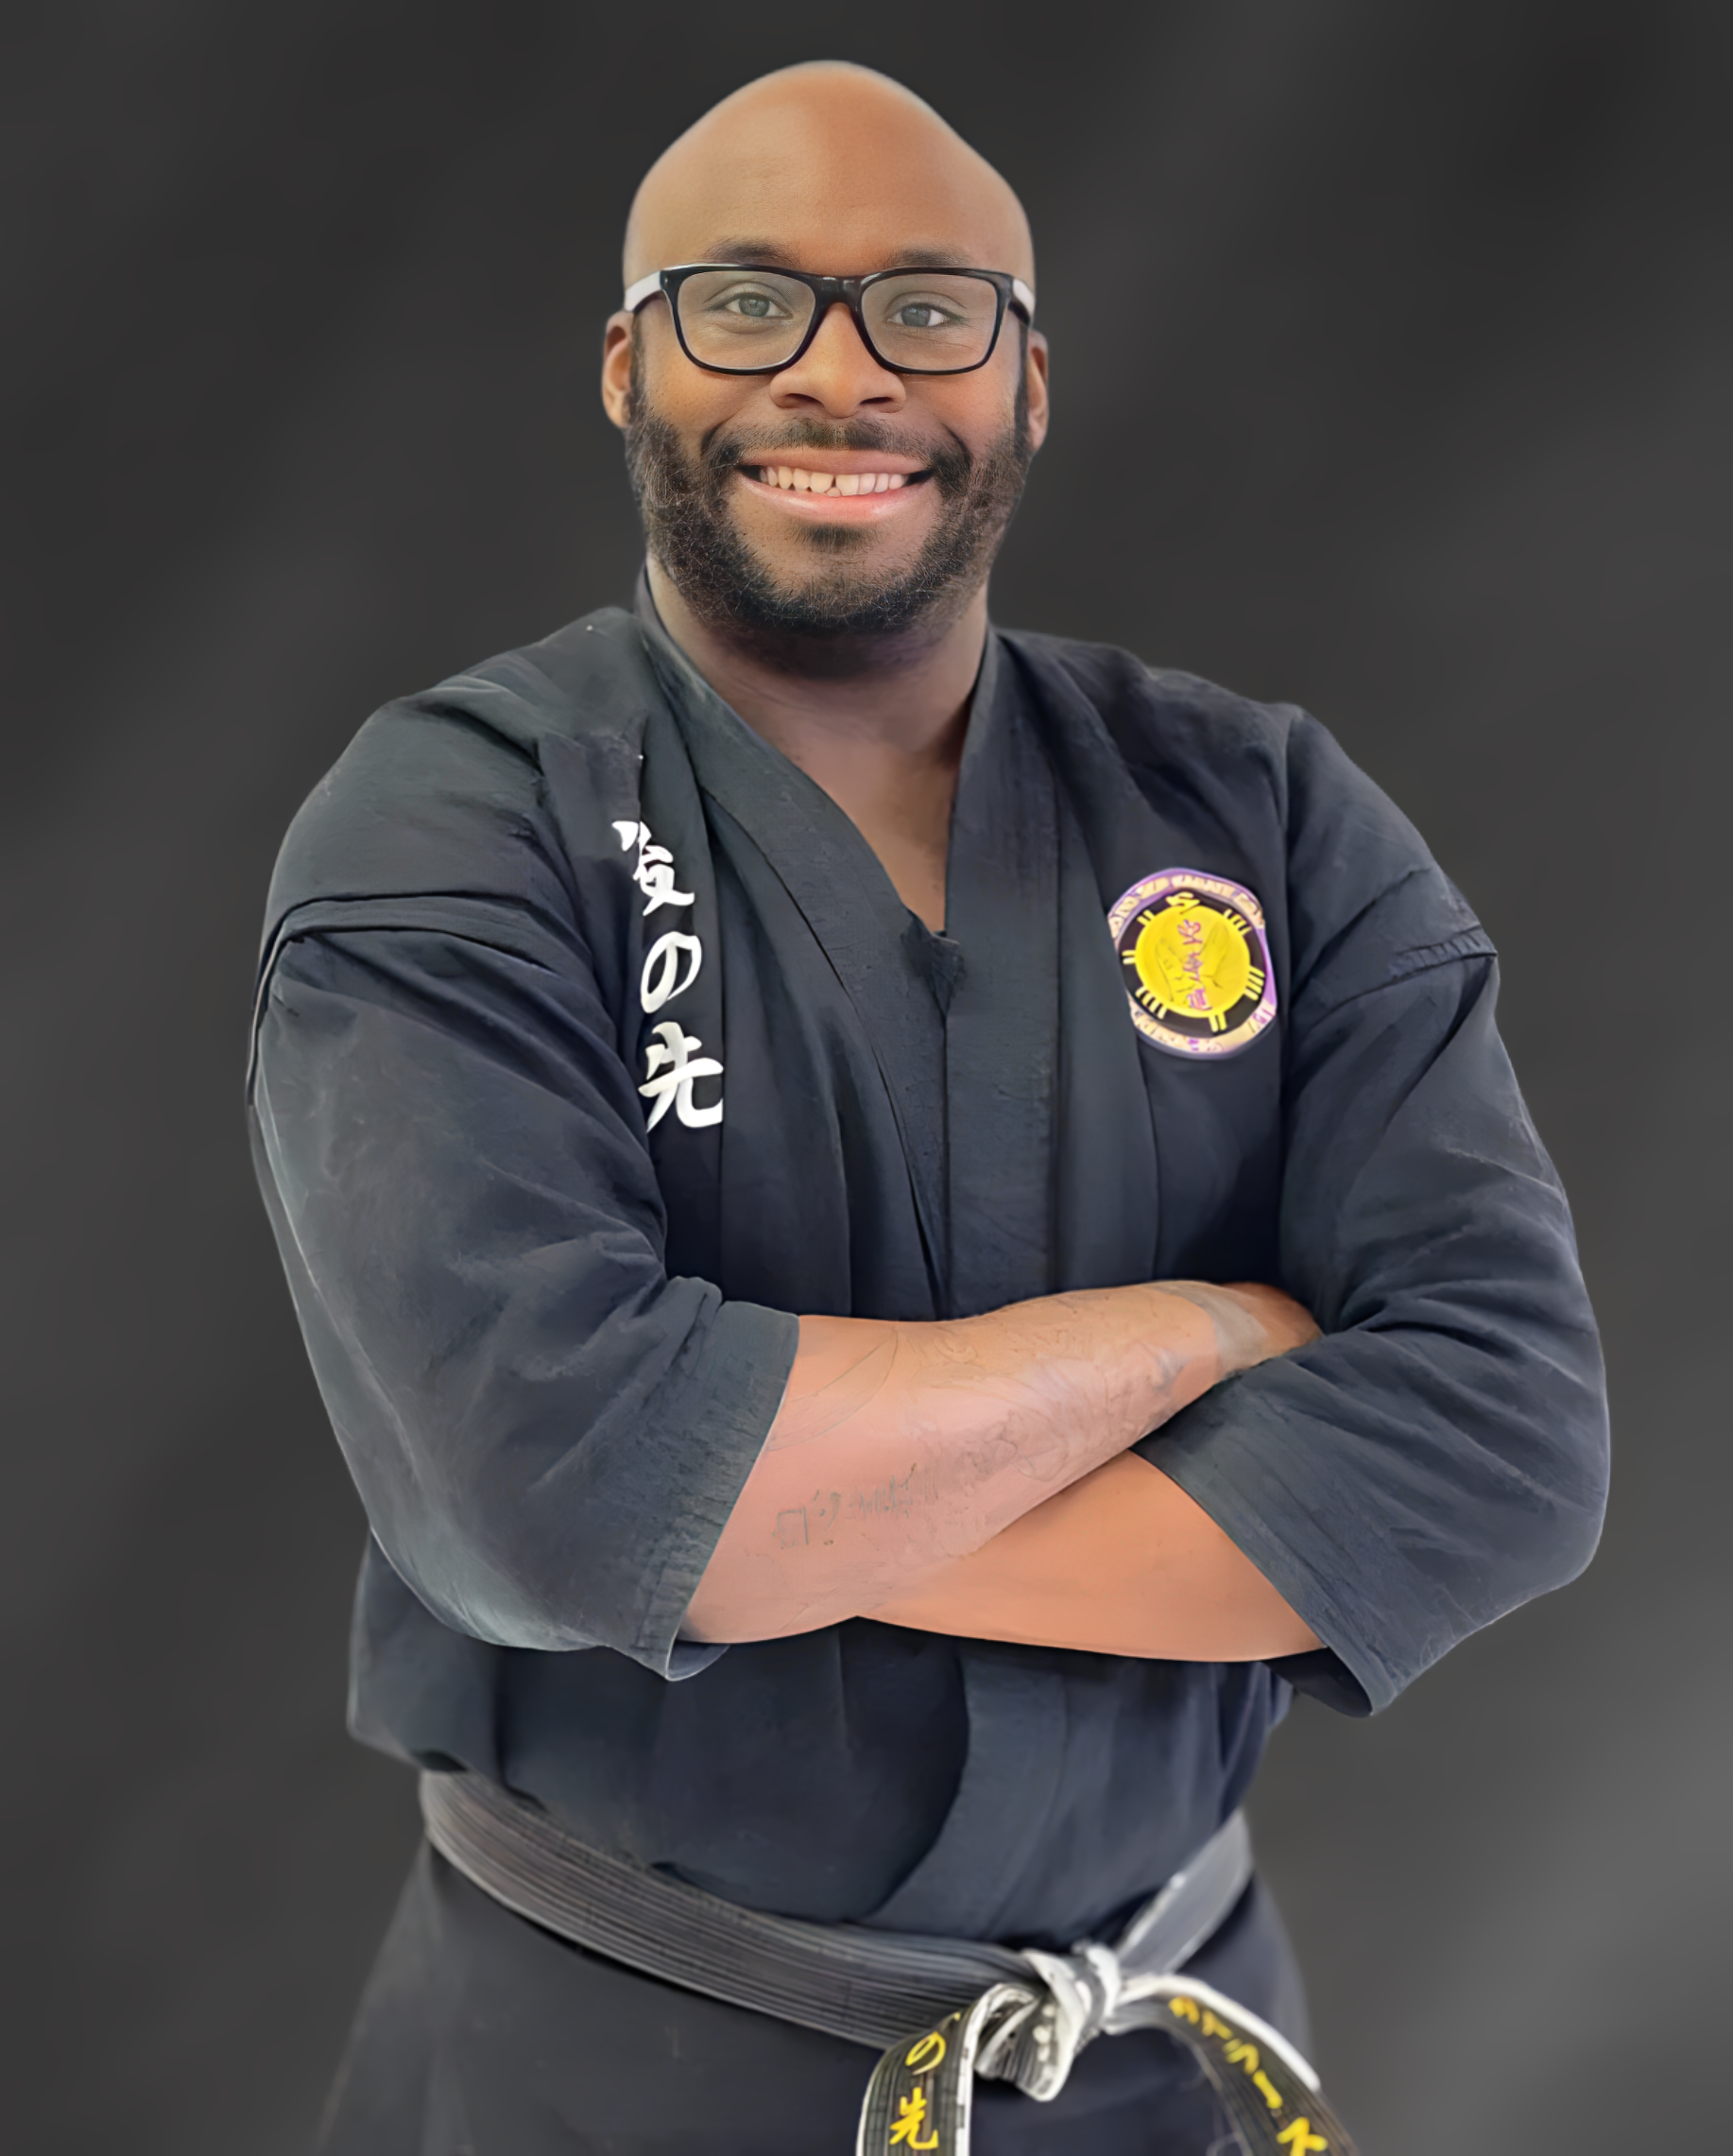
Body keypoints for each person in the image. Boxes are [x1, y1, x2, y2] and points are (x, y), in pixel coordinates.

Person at [248, 60, 1608, 2156]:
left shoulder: (1260, 814)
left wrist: (767, 1513)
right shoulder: (461, 822)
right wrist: (1210, 1330)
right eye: (745, 303)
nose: (838, 374)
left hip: (1163, 2056)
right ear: (627, 367)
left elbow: (1502, 1444)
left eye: (925, 306)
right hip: (610, 2064)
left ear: (1023, 381)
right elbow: (559, 1497)